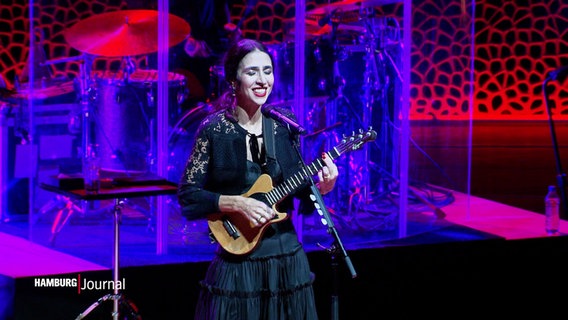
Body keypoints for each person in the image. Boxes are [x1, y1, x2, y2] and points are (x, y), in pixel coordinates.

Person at [177, 38, 339, 319]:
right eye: (252, 72)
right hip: (238, 261)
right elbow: (188, 196)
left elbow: (301, 192)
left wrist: (323, 188)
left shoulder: (283, 124)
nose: (263, 80)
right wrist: (237, 204)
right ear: (233, 80)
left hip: (287, 257)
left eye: (268, 71)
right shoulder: (215, 129)